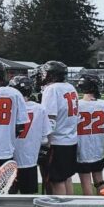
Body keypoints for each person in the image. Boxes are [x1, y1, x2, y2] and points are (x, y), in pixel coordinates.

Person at [38, 60, 78, 196]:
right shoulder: (70, 87)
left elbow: (50, 119)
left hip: (57, 142)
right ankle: (70, 206)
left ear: (52, 75)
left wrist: (46, 143)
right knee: (67, 178)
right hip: (71, 139)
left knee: (57, 181)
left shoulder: (51, 89)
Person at [75, 72, 104, 195]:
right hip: (98, 148)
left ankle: (88, 205)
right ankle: (102, 203)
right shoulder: (103, 104)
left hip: (81, 148)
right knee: (99, 180)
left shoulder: (77, 105)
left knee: (85, 181)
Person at [8, 74, 49, 196]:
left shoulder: (9, 107)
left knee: (7, 197)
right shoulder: (40, 109)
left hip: (9, 158)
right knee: (29, 197)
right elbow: (45, 139)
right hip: (30, 159)